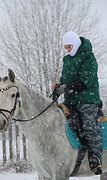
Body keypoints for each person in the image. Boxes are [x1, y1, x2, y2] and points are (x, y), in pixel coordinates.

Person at [53, 31, 103, 175]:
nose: (68, 50)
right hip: (70, 100)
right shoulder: (67, 60)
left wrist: (68, 88)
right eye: (66, 48)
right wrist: (60, 85)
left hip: (87, 99)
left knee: (89, 126)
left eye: (70, 47)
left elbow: (85, 80)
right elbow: (65, 78)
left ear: (76, 44)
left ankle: (95, 158)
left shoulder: (88, 57)